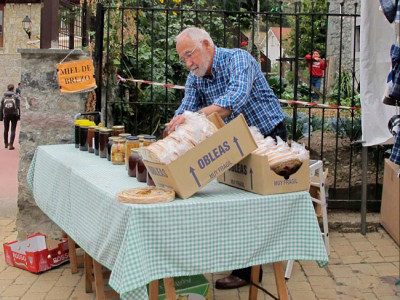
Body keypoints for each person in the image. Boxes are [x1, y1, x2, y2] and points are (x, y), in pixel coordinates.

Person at [168, 27, 287, 289]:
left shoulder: (239, 59)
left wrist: (191, 117)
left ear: (207, 44)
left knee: (261, 207)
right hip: (235, 140)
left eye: (190, 55)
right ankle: (247, 266)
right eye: (183, 58)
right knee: (239, 203)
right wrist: (174, 127)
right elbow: (186, 107)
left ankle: (250, 272)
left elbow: (232, 101)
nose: (188, 63)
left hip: (268, 135)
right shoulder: (196, 76)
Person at [0, 84, 21, 150]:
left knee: (6, 129)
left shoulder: (4, 96)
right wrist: (19, 115)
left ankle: (6, 143)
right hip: (14, 114)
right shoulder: (15, 96)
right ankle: (11, 144)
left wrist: (1, 116)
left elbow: (2, 107)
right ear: (13, 88)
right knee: (13, 129)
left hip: (6, 115)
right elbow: (18, 105)